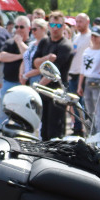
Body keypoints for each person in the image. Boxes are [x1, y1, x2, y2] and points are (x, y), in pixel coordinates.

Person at [33, 11, 75, 139]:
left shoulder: (65, 45)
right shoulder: (44, 42)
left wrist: (37, 87)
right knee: (43, 129)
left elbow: (53, 73)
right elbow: (35, 63)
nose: (54, 29)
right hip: (44, 90)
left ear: (63, 27)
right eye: (52, 25)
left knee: (55, 130)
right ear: (48, 26)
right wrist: (46, 58)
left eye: (58, 26)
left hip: (58, 90)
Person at [77, 25, 100, 136]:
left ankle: (99, 133)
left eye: (96, 36)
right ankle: (91, 132)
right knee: (88, 109)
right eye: (92, 36)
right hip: (87, 81)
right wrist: (79, 85)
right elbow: (82, 69)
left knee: (98, 110)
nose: (94, 38)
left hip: (99, 81)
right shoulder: (87, 50)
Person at [0, 15, 29, 125]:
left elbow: (27, 54)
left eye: (21, 27)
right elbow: (1, 56)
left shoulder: (31, 43)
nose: (18, 29)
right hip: (8, 82)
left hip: (23, 84)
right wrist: (20, 56)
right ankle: (2, 132)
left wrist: (20, 42)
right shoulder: (9, 42)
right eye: (17, 27)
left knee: (20, 113)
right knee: (4, 111)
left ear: (28, 28)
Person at [67, 13, 92, 133]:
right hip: (73, 74)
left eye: (80, 21)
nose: (78, 24)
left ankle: (87, 127)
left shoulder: (91, 37)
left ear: (87, 22)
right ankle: (78, 127)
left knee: (85, 104)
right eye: (76, 21)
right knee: (75, 104)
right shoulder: (76, 37)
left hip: (84, 75)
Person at [22, 18, 48, 88]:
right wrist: (21, 74)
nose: (32, 32)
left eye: (35, 29)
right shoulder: (32, 44)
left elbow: (45, 67)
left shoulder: (47, 44)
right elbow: (25, 59)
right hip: (26, 79)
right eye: (31, 29)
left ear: (43, 28)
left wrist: (26, 75)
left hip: (38, 79)